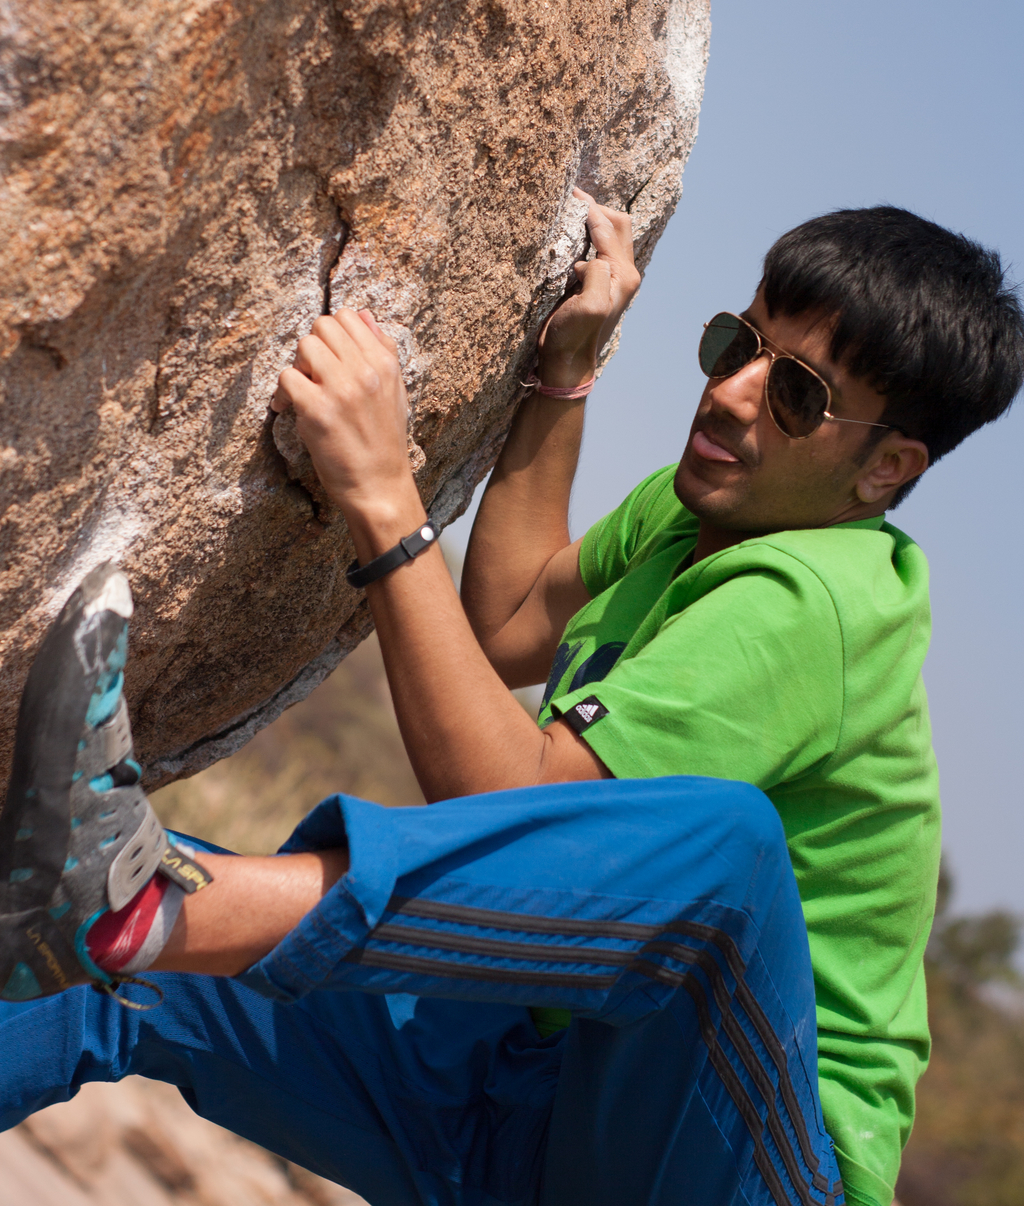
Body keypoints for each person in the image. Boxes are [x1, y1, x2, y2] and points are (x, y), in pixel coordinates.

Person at [1, 198, 1021, 1206]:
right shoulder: (701, 506)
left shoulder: (821, 600)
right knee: (92, 981)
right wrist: (564, 374)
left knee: (728, 858)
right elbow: (506, 625)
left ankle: (148, 909)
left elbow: (511, 796)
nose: (731, 394)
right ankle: (130, 922)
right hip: (537, 1109)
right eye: (734, 343)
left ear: (884, 469)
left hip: (736, 1167)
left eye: (795, 392)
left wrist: (381, 495)